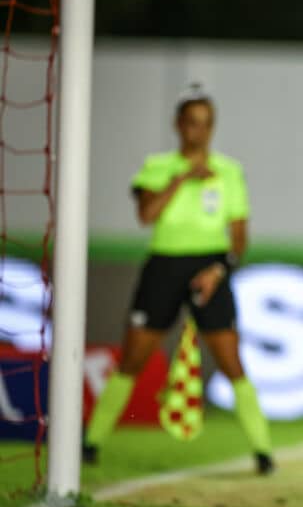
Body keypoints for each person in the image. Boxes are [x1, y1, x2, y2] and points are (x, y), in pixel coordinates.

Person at [82, 84, 275, 475]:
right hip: (164, 268)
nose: (198, 131)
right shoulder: (157, 166)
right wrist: (183, 178)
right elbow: (146, 215)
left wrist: (219, 270)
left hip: (210, 269)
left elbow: (239, 237)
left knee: (230, 360)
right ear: (178, 125)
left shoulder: (229, 173)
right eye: (192, 123)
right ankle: (90, 443)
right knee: (132, 359)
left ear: (212, 128)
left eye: (206, 124)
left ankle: (264, 452)